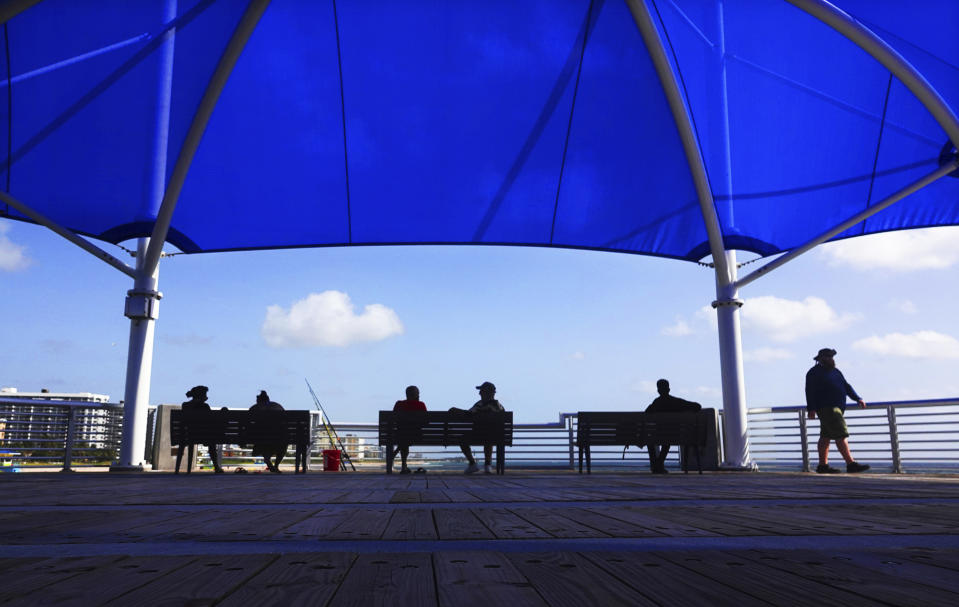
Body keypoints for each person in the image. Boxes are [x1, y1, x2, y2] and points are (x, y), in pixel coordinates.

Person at [806, 348, 870, 474]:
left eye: (832, 357)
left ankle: (822, 466)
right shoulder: (814, 373)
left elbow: (846, 386)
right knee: (841, 434)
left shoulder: (836, 372)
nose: (832, 359)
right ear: (821, 358)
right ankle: (851, 464)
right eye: (829, 357)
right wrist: (811, 408)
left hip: (837, 408)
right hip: (828, 408)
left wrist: (858, 398)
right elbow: (809, 391)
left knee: (825, 437)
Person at [644, 379, 701, 474]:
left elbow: (646, 413)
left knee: (650, 441)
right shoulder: (677, 402)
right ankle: (658, 465)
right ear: (669, 389)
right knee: (667, 439)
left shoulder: (656, 403)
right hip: (675, 435)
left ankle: (656, 466)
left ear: (658, 391)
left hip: (657, 435)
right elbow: (697, 406)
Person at [459, 381, 505, 474]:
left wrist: (456, 410)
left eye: (481, 391)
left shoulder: (479, 405)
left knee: (462, 438)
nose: (479, 393)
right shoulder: (499, 406)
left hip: (477, 435)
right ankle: (488, 465)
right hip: (495, 437)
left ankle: (472, 464)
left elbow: (469, 413)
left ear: (486, 393)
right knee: (489, 436)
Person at [179, 385, 224, 474]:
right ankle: (216, 466)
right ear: (202, 395)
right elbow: (211, 421)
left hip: (189, 435)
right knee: (212, 440)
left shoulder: (185, 405)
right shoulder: (205, 406)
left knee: (210, 437)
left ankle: (188, 469)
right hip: (205, 436)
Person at [249, 390, 287, 473]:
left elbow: (248, 423)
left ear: (258, 401)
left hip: (260, 437)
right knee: (282, 444)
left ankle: (268, 460)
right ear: (268, 399)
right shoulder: (277, 406)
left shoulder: (254, 408)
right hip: (278, 437)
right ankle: (276, 466)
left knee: (262, 440)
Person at [392, 385, 427, 474]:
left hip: (400, 435)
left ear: (406, 394)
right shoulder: (421, 404)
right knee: (407, 438)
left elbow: (393, 420)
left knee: (404, 439)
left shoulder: (399, 404)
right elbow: (426, 422)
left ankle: (403, 466)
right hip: (417, 436)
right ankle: (403, 465)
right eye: (418, 393)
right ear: (416, 395)